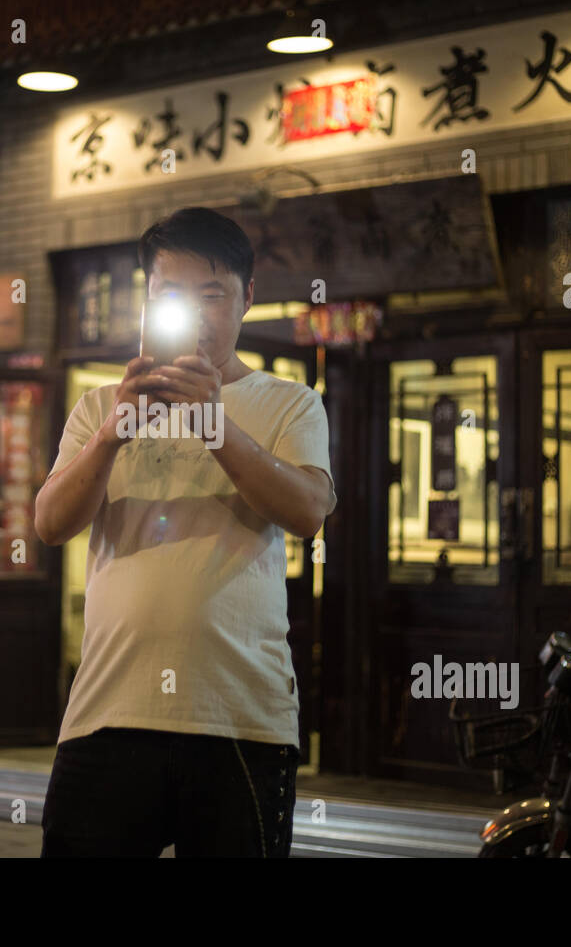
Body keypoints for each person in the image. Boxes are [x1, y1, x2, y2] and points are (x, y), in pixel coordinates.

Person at [34, 207, 337, 857]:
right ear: (146, 300)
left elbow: (310, 510)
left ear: (247, 298)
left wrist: (215, 424)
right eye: (173, 296)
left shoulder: (289, 403)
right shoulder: (98, 408)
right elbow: (51, 523)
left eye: (213, 295)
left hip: (241, 721)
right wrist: (114, 433)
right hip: (107, 714)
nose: (196, 317)